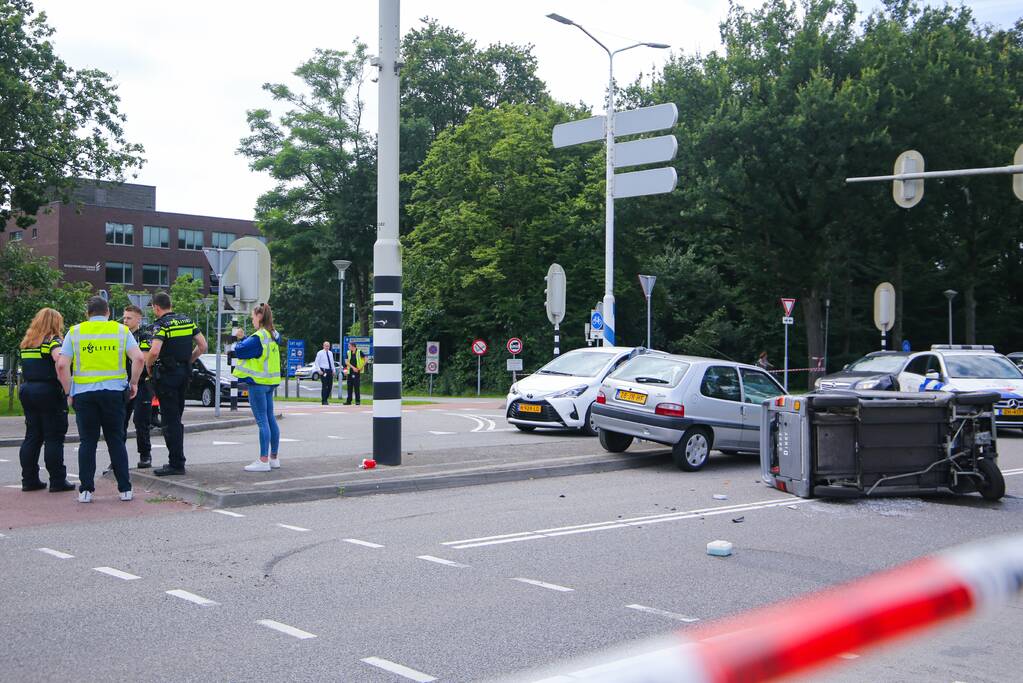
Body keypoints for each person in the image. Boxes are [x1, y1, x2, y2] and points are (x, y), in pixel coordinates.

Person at [56, 296, 144, 503]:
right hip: (114, 393)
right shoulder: (121, 331)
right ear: (108, 313)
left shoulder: (75, 332)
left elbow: (62, 365)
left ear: (87, 313)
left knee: (88, 441)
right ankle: (125, 489)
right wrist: (133, 383)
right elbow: (139, 358)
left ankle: (86, 491)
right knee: (115, 439)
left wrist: (69, 392)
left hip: (84, 394)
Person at [146, 291, 207, 476]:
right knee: (176, 418)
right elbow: (203, 345)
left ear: (156, 307)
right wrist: (189, 360)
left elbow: (154, 351)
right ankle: (177, 460)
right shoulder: (187, 321)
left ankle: (176, 463)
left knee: (169, 420)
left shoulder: (161, 325)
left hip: (167, 376)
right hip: (184, 375)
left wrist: (148, 366)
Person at [17, 308, 76, 493]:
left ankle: (29, 479)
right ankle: (57, 480)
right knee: (54, 436)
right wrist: (68, 391)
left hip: (28, 389)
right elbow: (60, 361)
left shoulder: (27, 343)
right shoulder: (52, 341)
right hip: (49, 391)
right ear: (55, 323)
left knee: (32, 436)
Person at [233, 303, 282, 472]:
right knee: (270, 418)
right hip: (270, 383)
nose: (252, 320)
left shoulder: (258, 337)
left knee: (262, 421)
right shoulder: (274, 334)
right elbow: (256, 349)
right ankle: (274, 458)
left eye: (253, 317)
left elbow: (240, 351)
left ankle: (263, 461)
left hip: (257, 383)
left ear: (260, 317)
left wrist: (240, 338)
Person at [122, 305, 153, 468]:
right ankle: (117, 458)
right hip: (122, 383)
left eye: (129, 318)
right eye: (124, 317)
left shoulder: (145, 336)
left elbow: (144, 358)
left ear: (139, 319)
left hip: (141, 383)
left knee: (141, 420)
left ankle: (145, 455)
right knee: (120, 422)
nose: (125, 321)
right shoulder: (120, 335)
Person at [343, 340, 366, 406]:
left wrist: (361, 367)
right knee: (349, 387)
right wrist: (353, 368)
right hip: (350, 371)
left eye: (349, 346)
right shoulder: (348, 352)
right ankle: (348, 401)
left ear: (353, 346)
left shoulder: (359, 352)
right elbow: (346, 362)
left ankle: (357, 401)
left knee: (356, 387)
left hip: (357, 372)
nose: (348, 347)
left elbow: (366, 359)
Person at [314, 341, 334, 405]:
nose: (327, 347)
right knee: (325, 386)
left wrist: (333, 370)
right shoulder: (320, 353)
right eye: (326, 346)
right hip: (323, 371)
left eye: (328, 346)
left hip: (329, 370)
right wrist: (319, 370)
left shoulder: (330, 353)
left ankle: (326, 398)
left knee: (330, 386)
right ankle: (324, 400)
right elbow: (316, 362)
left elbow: (332, 362)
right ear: (323, 346)